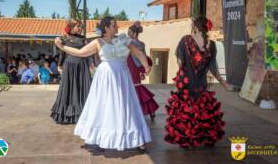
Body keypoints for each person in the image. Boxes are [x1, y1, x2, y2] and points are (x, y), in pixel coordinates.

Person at [54, 16, 152, 153]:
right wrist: (62, 47)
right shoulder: (98, 42)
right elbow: (80, 53)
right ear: (106, 28)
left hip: (122, 77)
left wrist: (146, 66)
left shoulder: (123, 39)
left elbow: (138, 53)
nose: (117, 27)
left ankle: (137, 139)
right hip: (105, 78)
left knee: (127, 106)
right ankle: (101, 138)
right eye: (114, 25)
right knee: (105, 107)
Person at [164, 16, 232, 148]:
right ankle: (203, 139)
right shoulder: (211, 45)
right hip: (201, 86)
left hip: (187, 85)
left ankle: (188, 140)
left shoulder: (185, 40)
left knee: (186, 115)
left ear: (195, 26)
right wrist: (223, 83)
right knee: (202, 113)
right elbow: (213, 68)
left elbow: (180, 62)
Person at [51, 19, 92, 124]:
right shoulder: (64, 38)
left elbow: (88, 52)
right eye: (78, 26)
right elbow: (62, 53)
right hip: (69, 67)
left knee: (83, 89)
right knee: (69, 90)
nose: (80, 28)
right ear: (71, 27)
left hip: (82, 67)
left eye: (81, 26)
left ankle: (83, 114)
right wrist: (59, 65)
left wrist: (91, 63)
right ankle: (67, 115)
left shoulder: (83, 39)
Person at [127, 22, 159, 121]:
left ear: (135, 34)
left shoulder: (130, 43)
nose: (128, 33)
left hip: (132, 66)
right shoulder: (141, 44)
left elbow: (141, 57)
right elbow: (144, 57)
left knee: (134, 87)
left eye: (130, 32)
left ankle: (140, 111)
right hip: (133, 66)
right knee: (136, 87)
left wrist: (141, 69)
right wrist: (142, 70)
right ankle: (150, 110)